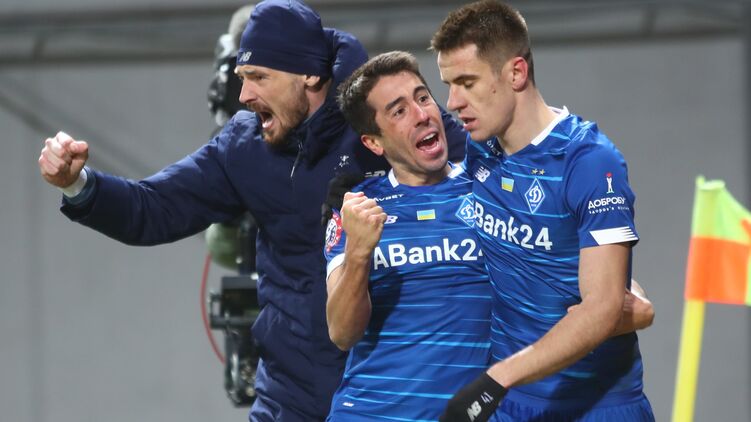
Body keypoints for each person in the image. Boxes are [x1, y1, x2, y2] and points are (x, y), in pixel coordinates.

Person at [35, 1, 466, 420]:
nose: (244, 96)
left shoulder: (389, 118)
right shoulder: (243, 147)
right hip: (290, 401)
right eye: (242, 78)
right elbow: (152, 208)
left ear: (309, 75)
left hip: (394, 397)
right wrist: (78, 183)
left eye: (258, 77)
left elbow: (488, 172)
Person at [324, 51, 655, 421]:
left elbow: (594, 276)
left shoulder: (491, 187)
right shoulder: (357, 208)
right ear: (374, 142)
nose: (422, 115)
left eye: (423, 97)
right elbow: (341, 333)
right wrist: (358, 253)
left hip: (470, 412)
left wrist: (629, 301)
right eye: (399, 111)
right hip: (367, 412)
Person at [432, 1, 655, 421]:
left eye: (466, 82)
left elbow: (602, 307)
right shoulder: (480, 150)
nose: (453, 101)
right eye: (448, 84)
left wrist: (497, 378)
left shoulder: (588, 161)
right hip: (511, 404)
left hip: (596, 407)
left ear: (516, 73)